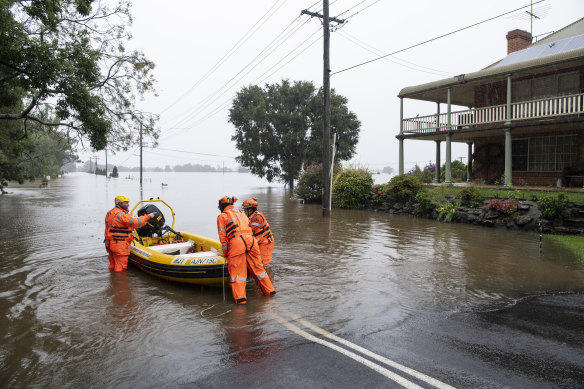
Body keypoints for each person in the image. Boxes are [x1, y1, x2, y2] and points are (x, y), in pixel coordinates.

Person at [217, 196, 276, 304]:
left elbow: (223, 237)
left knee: (237, 273)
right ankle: (270, 292)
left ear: (221, 206)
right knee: (259, 270)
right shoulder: (241, 213)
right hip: (252, 241)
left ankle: (241, 300)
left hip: (238, 243)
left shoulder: (222, 216)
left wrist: (225, 253)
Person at [104, 195, 156, 272]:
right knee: (121, 268)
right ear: (119, 203)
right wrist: (148, 216)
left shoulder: (110, 212)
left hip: (110, 242)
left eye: (128, 203)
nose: (128, 205)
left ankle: (112, 279)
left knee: (113, 265)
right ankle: (120, 282)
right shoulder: (121, 214)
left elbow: (117, 226)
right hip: (120, 244)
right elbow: (136, 222)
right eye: (126, 203)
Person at [242, 197, 275, 267]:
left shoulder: (257, 218)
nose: (244, 211)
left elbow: (250, 231)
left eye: (245, 209)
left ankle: (267, 275)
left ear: (250, 209)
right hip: (259, 241)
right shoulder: (251, 216)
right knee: (256, 261)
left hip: (265, 242)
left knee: (264, 263)